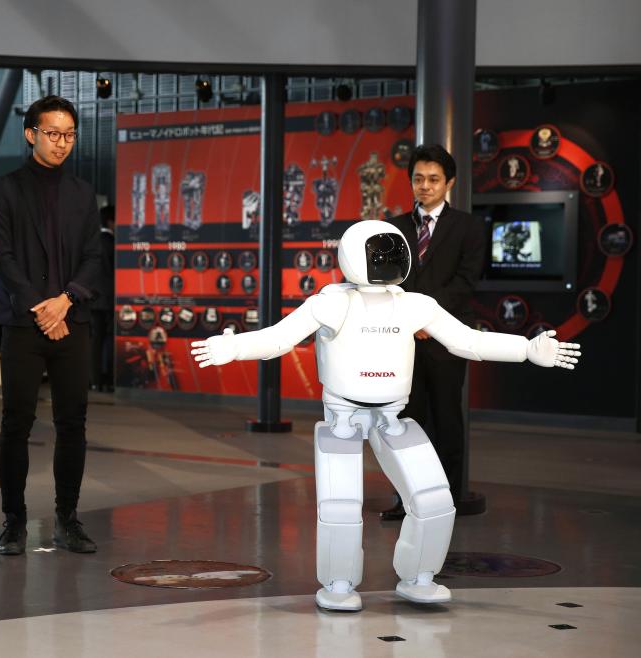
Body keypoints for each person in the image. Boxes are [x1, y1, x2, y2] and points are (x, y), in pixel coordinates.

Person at [192, 220, 580, 611]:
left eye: (393, 250)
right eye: (380, 251)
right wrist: (234, 348)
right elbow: (278, 338)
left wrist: (528, 350)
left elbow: (468, 341)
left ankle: (419, 576)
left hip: (394, 416)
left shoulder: (414, 304)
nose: (388, 259)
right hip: (342, 417)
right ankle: (338, 583)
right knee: (340, 507)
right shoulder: (332, 302)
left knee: (435, 501)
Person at [0, 95, 101, 556]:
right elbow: (3, 259)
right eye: (53, 134)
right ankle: (14, 520)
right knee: (16, 422)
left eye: (69, 135)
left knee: (73, 423)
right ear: (31, 133)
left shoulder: (81, 193)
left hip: (72, 320)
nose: (62, 143)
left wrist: (66, 300)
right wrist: (41, 309)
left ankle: (67, 517)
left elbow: (95, 257)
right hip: (23, 325)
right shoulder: (6, 189)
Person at [381, 144, 485, 520]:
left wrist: (427, 318)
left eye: (434, 179)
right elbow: (389, 282)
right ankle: (405, 500)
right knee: (406, 422)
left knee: (446, 420)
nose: (425, 186)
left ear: (450, 183)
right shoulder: (394, 227)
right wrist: (411, 320)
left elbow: (466, 281)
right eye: (418, 179)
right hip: (403, 341)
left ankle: (448, 500)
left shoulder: (469, 227)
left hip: (444, 339)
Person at [90, 204, 115, 392]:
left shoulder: (91, 241)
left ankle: (94, 379)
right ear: (111, 221)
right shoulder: (112, 243)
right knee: (109, 340)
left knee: (94, 342)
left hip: (92, 299)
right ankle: (108, 379)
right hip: (109, 299)